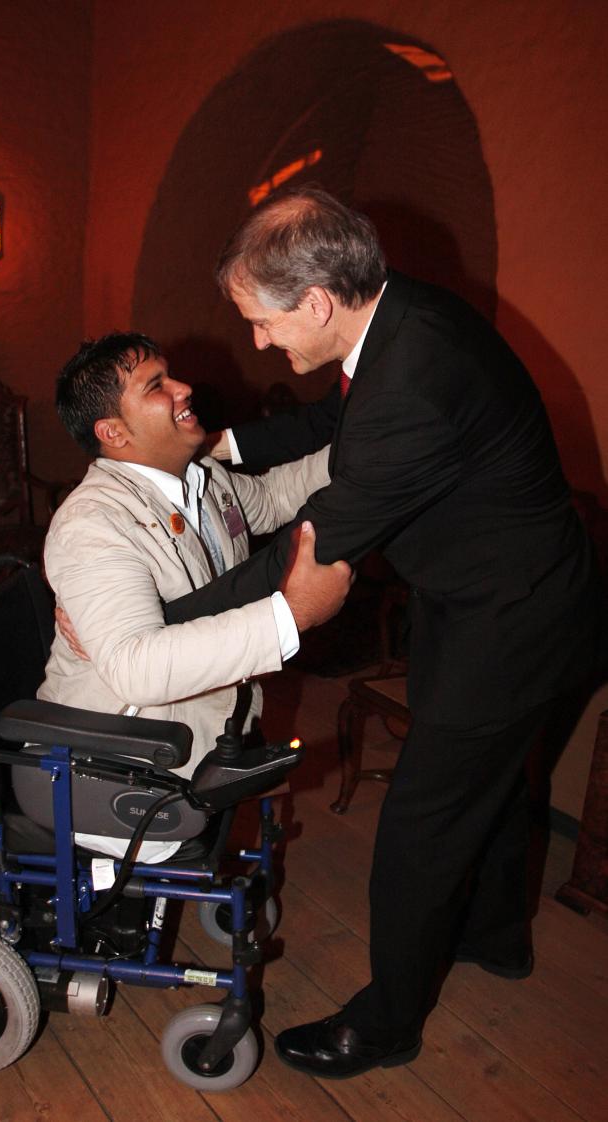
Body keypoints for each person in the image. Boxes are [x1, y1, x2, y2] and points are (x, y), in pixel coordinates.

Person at [162, 187, 601, 1077]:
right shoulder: (397, 312)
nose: (257, 342)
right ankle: (498, 940)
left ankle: (389, 1023)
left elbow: (308, 552)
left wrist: (168, 622)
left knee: (422, 820)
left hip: (512, 616)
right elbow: (336, 418)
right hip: (489, 591)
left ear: (317, 301)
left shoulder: (413, 385)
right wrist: (225, 448)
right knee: (495, 780)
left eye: (260, 321)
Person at [39, 331, 350, 854]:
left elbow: (272, 497)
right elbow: (136, 667)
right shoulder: (91, 525)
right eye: (157, 385)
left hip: (203, 731)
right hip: (125, 763)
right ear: (112, 431)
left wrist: (361, 448)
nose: (184, 388)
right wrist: (290, 615)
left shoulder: (199, 475)